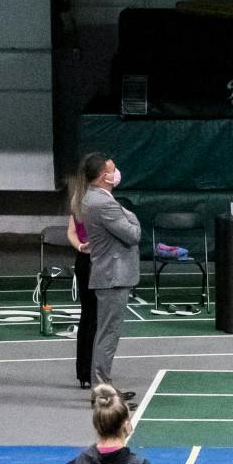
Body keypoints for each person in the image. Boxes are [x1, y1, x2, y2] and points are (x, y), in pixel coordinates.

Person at [79, 154, 139, 394]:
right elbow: (133, 234)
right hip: (112, 276)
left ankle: (104, 385)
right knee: (108, 334)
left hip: (107, 272)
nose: (117, 173)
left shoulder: (93, 198)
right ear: (104, 177)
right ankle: (102, 389)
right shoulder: (104, 203)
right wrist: (131, 216)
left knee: (105, 333)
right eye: (113, 170)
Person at [66, 155, 106, 391]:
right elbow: (71, 231)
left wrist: (81, 247)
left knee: (91, 317)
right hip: (92, 261)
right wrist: (81, 246)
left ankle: (88, 371)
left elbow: (71, 231)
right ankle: (89, 371)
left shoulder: (84, 198)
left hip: (91, 260)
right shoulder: (89, 200)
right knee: (93, 317)